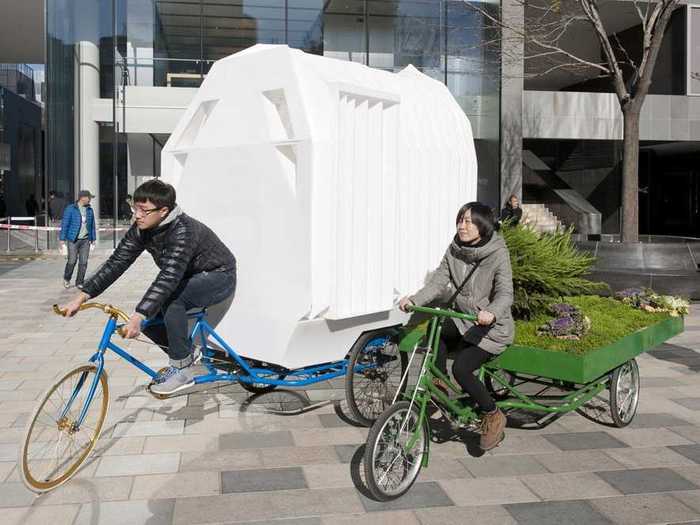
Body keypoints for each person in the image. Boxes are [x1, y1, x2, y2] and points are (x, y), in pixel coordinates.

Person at [58, 179, 237, 396]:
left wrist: (138, 314)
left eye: (143, 210)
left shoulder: (183, 231)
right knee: (150, 321)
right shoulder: (141, 229)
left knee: (171, 301)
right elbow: (117, 262)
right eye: (135, 208)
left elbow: (168, 277)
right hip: (185, 277)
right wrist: (81, 296)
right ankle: (188, 355)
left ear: (163, 211)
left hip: (218, 275)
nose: (137, 215)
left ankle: (182, 370)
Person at [399, 202, 514, 451]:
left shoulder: (497, 254)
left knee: (462, 369)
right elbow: (438, 283)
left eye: (469, 221)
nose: (462, 225)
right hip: (465, 321)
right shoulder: (454, 250)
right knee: (435, 330)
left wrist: (491, 313)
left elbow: (506, 293)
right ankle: (439, 385)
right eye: (460, 220)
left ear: (483, 227)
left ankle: (493, 415)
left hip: (491, 329)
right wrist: (415, 300)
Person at [60, 190, 97, 289]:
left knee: (83, 262)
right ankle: (67, 278)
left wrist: (93, 239)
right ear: (83, 198)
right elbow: (65, 224)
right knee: (72, 261)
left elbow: (92, 225)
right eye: (89, 198)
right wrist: (62, 240)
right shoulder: (71, 209)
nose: (90, 200)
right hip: (73, 240)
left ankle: (79, 282)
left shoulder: (89, 210)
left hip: (85, 240)